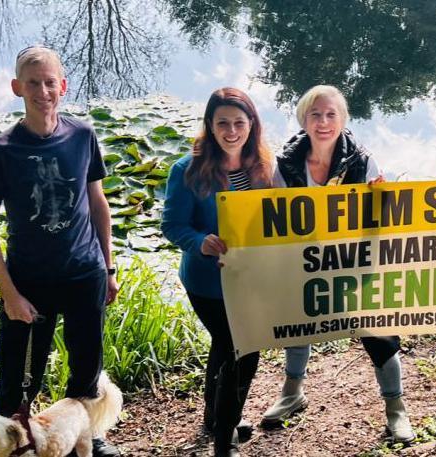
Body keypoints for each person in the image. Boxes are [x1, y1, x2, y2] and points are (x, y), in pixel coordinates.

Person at [0, 46, 121, 456]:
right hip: (28, 280)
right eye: (33, 83)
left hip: (83, 273)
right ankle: (3, 440)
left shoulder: (82, 135)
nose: (43, 91)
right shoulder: (2, 149)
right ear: (17, 87)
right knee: (18, 372)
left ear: (63, 85)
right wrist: (9, 293)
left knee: (86, 364)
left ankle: (89, 435)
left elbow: (97, 204)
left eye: (50, 82)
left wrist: (107, 268)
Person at [260, 85, 416, 443]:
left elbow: (380, 220)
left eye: (331, 114)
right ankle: (292, 393)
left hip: (353, 261)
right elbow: (276, 218)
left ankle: (396, 410)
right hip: (304, 260)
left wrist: (384, 201)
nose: (323, 122)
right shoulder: (285, 164)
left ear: (343, 119)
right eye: (315, 115)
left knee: (378, 331)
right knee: (299, 325)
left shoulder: (363, 161)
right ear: (304, 119)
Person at [161, 87, 271, 457]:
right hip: (207, 282)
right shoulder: (187, 169)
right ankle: (225, 437)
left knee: (226, 348)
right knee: (241, 349)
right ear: (209, 125)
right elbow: (173, 225)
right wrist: (199, 241)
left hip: (249, 279)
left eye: (239, 122)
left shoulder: (263, 167)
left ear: (251, 124)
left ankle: (215, 416)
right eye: (222, 122)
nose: (231, 130)